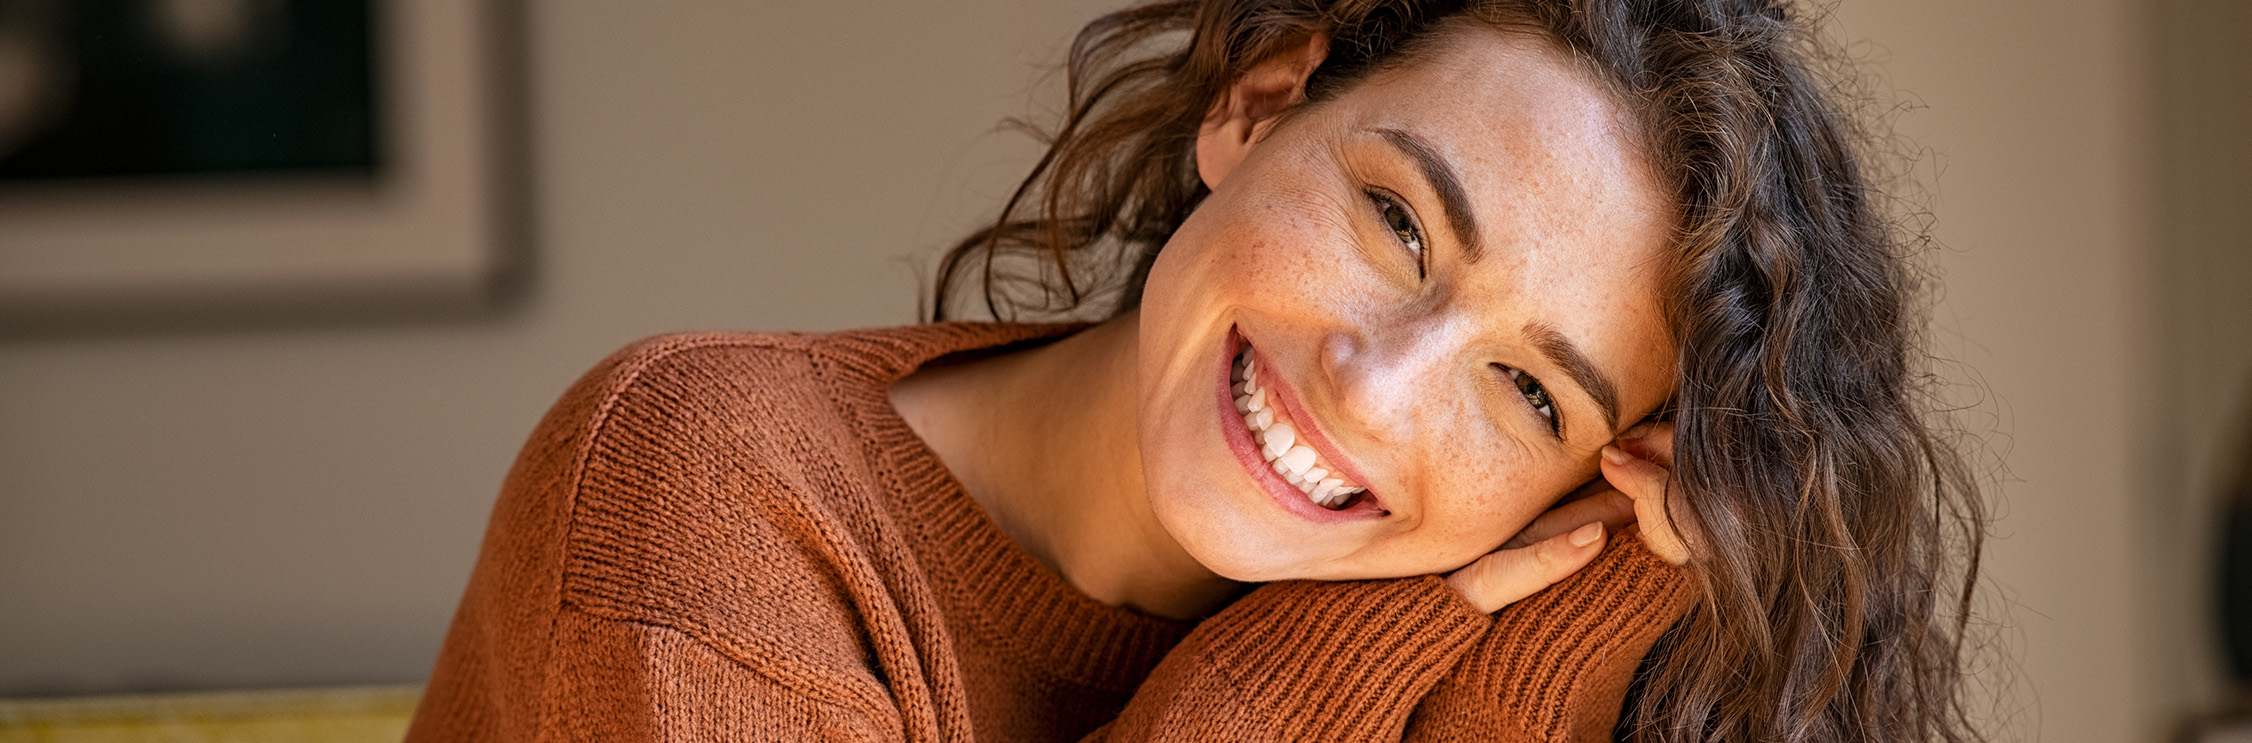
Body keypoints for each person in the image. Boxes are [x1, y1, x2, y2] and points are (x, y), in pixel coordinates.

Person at [407, 0, 1987, 741]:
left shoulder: (1468, 615)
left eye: (1530, 394)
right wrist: (1264, 702)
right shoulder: (705, 490)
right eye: (1395, 221)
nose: (1377, 389)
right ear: (1259, 104)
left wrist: (1560, 645)